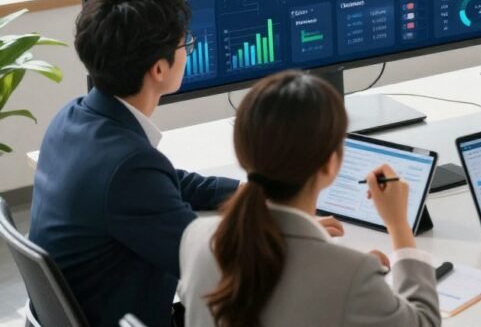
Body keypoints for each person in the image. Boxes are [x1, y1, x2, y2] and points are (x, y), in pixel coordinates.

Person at [29, 0, 241, 327]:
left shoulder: (72, 118)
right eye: (184, 42)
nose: (188, 50)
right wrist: (286, 229)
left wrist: (248, 194)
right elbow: (208, 263)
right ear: (159, 69)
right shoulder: (130, 168)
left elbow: (167, 183)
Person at [178, 70, 441, 327]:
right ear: (330, 164)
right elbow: (424, 322)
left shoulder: (196, 237)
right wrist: (398, 225)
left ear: (242, 153)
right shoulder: (350, 274)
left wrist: (333, 259)